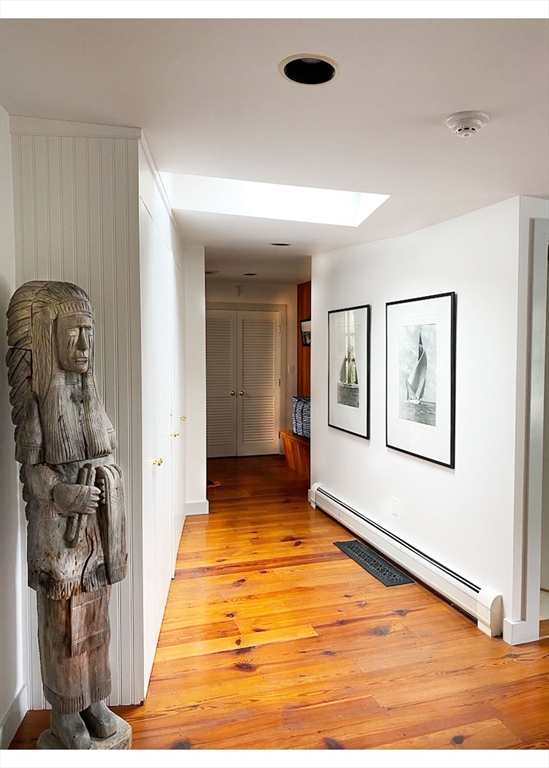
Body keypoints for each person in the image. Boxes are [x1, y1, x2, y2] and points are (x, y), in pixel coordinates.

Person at [6, 281, 127, 749]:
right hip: (59, 537)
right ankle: (67, 712)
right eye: (74, 332)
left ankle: (95, 699)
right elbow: (35, 476)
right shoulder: (40, 409)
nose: (84, 345)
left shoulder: (91, 400)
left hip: (95, 537)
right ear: (50, 337)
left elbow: (107, 450)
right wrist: (64, 495)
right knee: (63, 627)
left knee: (96, 622)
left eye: (89, 333)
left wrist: (102, 480)